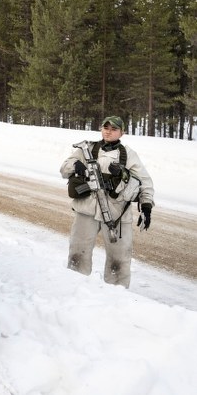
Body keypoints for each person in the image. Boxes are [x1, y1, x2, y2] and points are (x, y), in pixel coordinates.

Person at [59, 115, 155, 288]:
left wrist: (146, 206)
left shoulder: (128, 155)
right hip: (86, 211)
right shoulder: (86, 149)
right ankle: (73, 290)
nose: (109, 132)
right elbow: (64, 168)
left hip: (116, 214)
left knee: (119, 260)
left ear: (122, 132)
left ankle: (117, 298)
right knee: (77, 253)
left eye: (114, 129)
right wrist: (75, 166)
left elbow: (145, 182)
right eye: (106, 128)